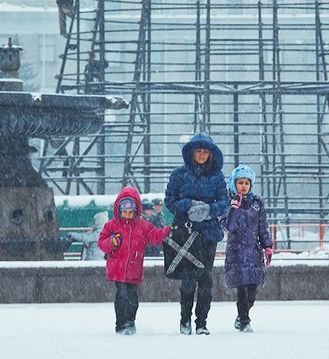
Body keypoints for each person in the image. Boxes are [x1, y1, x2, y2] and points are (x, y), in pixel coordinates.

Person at [164, 132, 230, 335]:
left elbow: (225, 202)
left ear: (211, 154)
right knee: (188, 280)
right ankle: (185, 320)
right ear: (191, 152)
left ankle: (202, 322)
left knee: (206, 279)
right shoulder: (179, 174)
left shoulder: (217, 176)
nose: (201, 155)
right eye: (198, 151)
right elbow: (170, 200)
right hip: (186, 233)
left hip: (208, 234)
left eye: (205, 151)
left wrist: (209, 210)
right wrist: (188, 205)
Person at [97, 187, 171, 335]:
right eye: (124, 212)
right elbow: (101, 243)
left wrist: (168, 230)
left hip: (134, 269)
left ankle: (130, 322)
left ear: (136, 211)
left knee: (132, 299)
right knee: (122, 295)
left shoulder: (143, 226)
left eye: (130, 213)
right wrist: (112, 242)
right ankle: (122, 324)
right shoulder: (111, 225)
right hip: (118, 269)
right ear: (119, 210)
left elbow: (155, 236)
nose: (127, 216)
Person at [223, 165, 273, 333]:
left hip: (253, 252)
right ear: (234, 184)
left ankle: (241, 316)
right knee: (242, 288)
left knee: (252, 290)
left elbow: (262, 227)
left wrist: (267, 246)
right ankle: (245, 321)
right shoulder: (228, 202)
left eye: (247, 182)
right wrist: (234, 207)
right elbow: (229, 226)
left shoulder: (257, 203)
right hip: (236, 252)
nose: (244, 186)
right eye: (240, 182)